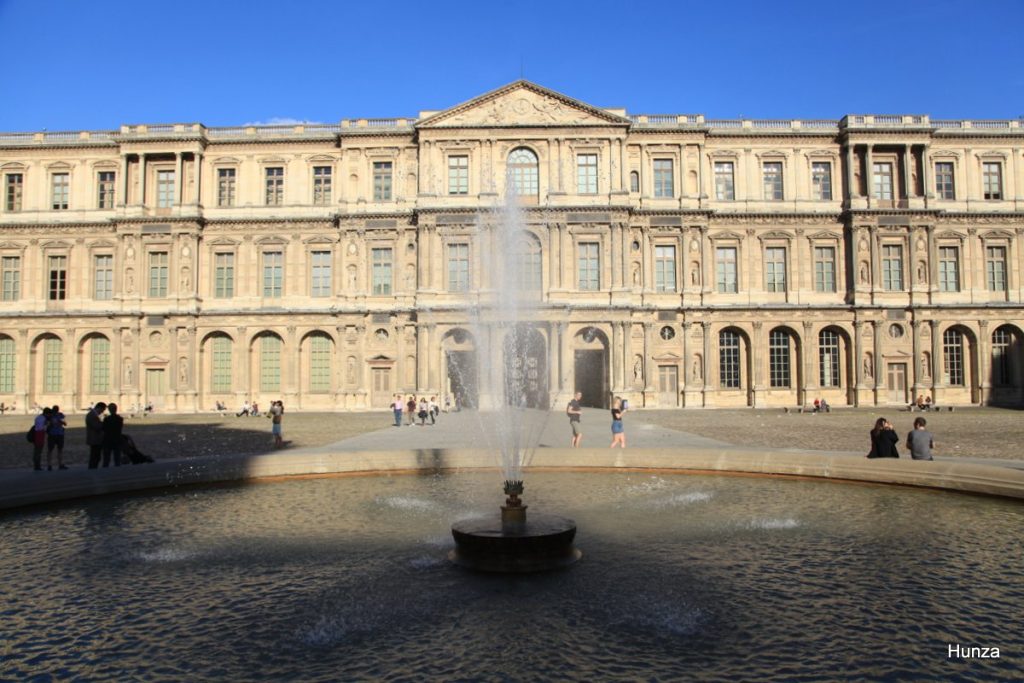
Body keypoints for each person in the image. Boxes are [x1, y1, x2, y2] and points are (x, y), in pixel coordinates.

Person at [102, 403, 125, 467]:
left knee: (106, 458)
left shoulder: (107, 419)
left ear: (109, 410)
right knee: (117, 458)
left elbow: (104, 428)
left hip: (108, 439)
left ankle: (105, 470)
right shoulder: (120, 419)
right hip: (117, 439)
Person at [46, 404, 68, 470]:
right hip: (58, 434)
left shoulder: (51, 416)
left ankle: (50, 465)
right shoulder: (59, 415)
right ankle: (59, 464)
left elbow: (65, 423)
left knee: (51, 450)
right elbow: (65, 423)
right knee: (59, 450)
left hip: (54, 434)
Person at [86, 402, 107, 469]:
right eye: (102, 410)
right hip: (94, 439)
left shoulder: (93, 415)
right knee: (95, 456)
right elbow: (97, 427)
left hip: (96, 439)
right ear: (99, 408)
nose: (102, 412)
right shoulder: (92, 415)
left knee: (96, 456)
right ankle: (92, 469)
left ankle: (93, 468)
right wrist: (104, 423)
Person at [31, 407, 49, 471]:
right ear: (46, 413)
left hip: (37, 434)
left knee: (36, 451)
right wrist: (46, 425)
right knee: (38, 451)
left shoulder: (38, 417)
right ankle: (37, 466)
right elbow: (41, 428)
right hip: (40, 435)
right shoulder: (43, 419)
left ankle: (36, 465)